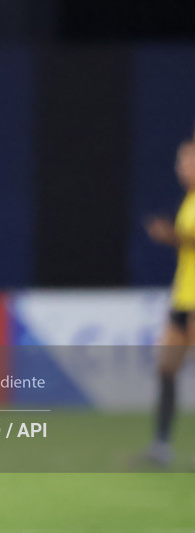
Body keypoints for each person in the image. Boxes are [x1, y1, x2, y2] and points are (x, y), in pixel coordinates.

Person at [143, 138, 195, 466]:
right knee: (165, 367)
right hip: (182, 297)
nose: (180, 167)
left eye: (186, 161)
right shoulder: (189, 201)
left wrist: (172, 236)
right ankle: (161, 447)